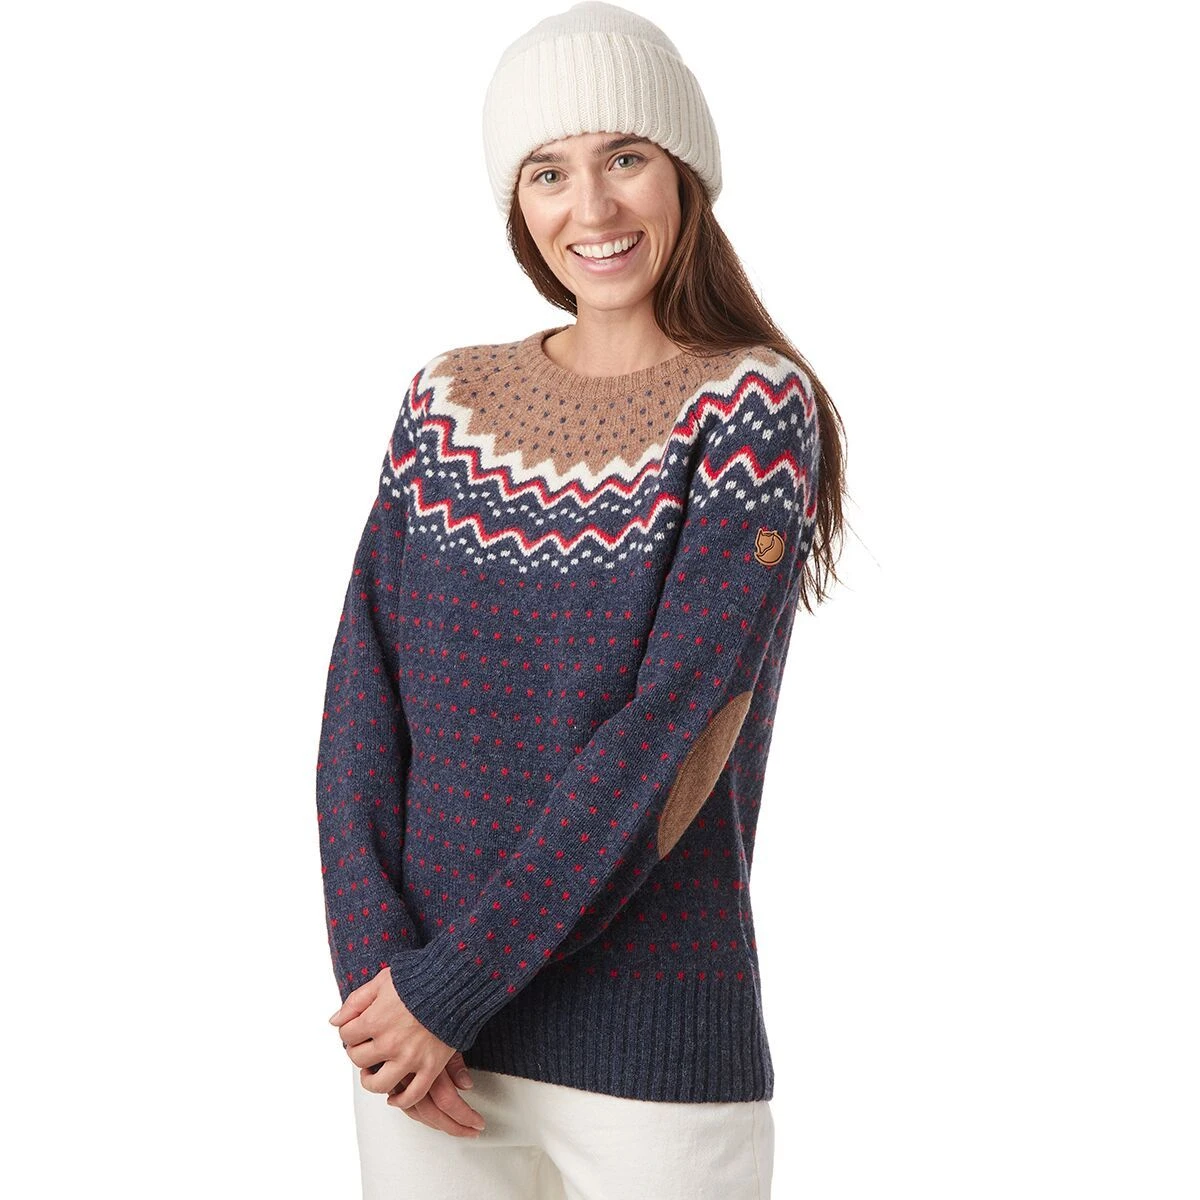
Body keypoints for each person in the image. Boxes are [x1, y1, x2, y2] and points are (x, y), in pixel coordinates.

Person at [315, 3, 847, 1196]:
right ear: (518, 201)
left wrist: (450, 987)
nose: (592, 208)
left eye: (626, 158)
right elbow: (362, 695)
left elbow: (669, 730)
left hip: (644, 1053)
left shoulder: (752, 406)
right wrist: (379, 981)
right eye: (548, 171)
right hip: (422, 1053)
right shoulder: (447, 401)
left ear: (684, 174)